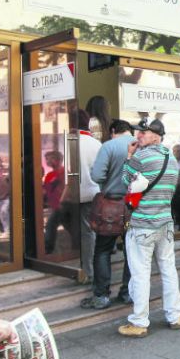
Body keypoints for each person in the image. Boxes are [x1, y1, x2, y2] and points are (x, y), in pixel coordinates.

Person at [118, 117, 180, 337]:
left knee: (140, 273)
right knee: (168, 268)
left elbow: (125, 180)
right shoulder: (171, 158)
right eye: (138, 132)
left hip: (142, 224)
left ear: (155, 136)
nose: (138, 135)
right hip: (165, 222)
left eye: (143, 132)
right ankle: (175, 314)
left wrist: (129, 156)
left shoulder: (140, 156)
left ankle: (139, 321)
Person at [81, 119, 135, 310]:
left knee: (103, 250)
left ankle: (101, 295)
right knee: (132, 252)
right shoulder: (140, 145)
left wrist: (109, 180)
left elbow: (96, 176)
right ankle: (128, 292)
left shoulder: (109, 146)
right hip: (134, 206)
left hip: (111, 206)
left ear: (113, 131)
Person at [77, 110, 102, 284]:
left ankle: (87, 270)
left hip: (71, 196)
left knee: (82, 232)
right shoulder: (96, 143)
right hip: (93, 192)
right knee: (89, 232)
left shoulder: (68, 141)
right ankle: (89, 269)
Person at [43, 150, 68, 254]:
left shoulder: (63, 172)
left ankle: (47, 250)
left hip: (63, 205)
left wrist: (62, 201)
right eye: (47, 159)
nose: (47, 161)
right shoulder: (49, 175)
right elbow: (44, 190)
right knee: (70, 226)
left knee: (50, 225)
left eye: (50, 158)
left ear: (58, 160)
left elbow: (68, 186)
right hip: (56, 206)